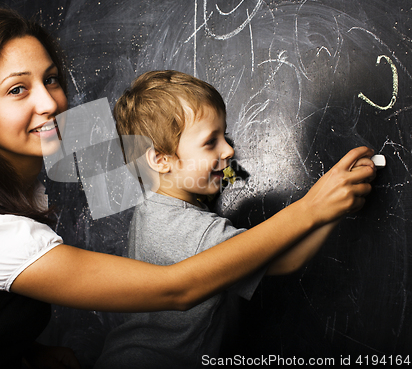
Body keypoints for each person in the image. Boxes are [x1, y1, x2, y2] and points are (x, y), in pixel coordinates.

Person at [0, 7, 375, 369]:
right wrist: (313, 206)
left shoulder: (21, 194)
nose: (49, 102)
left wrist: (25, 352)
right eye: (17, 89)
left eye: (51, 79)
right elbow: (176, 289)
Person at [95, 70, 378, 368]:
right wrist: (328, 207)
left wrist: (335, 207)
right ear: (160, 159)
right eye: (210, 142)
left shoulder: (151, 211)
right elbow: (288, 260)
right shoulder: (194, 232)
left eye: (224, 136)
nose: (229, 150)